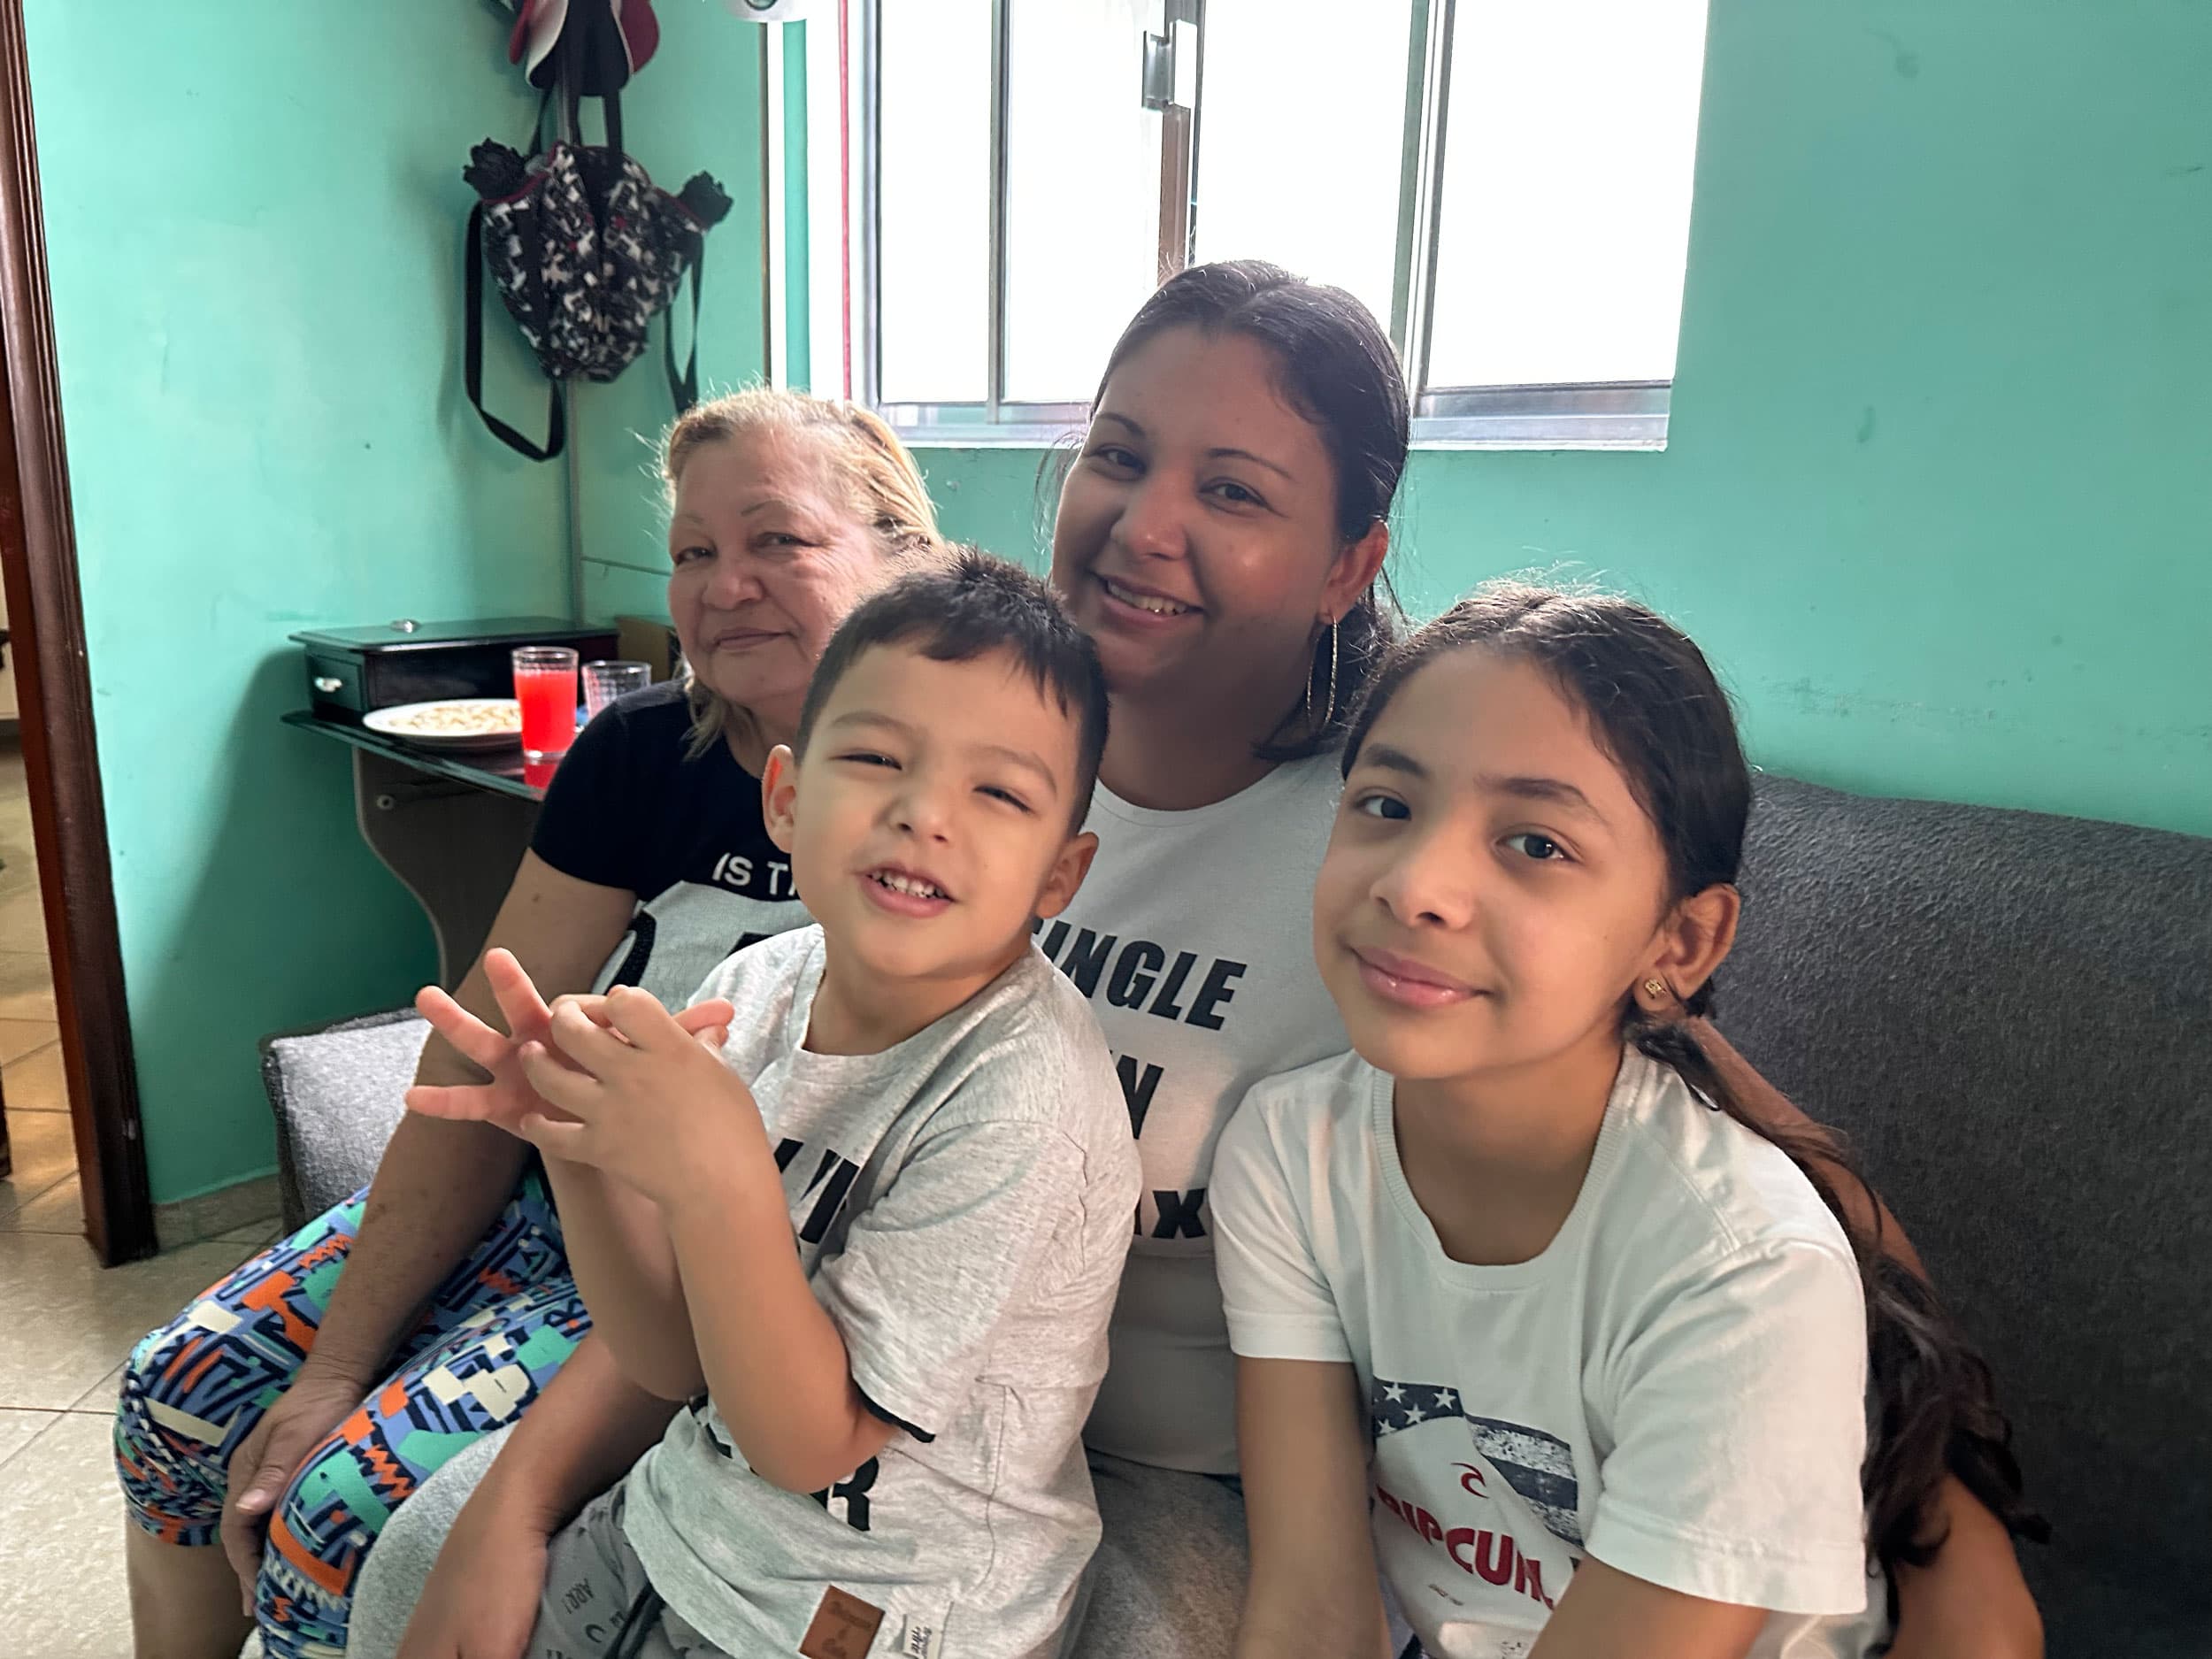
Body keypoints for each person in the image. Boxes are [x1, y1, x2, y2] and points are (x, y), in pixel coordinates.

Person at [364, 263, 2039, 1659]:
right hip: (811, 1404)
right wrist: (525, 1489)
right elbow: (776, 1196)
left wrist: (1953, 1532)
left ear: (1348, 563)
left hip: (1157, 1484)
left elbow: (1729, 1167)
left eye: (1232, 491)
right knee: (410, 1555)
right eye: (1119, 455)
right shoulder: (942, 807)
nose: (1144, 524)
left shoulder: (1384, 858)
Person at [114, 387, 941, 1659]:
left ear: (902, 552)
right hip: (552, 1190)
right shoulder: (639, 752)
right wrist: (339, 1363)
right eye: (694, 553)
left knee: (335, 1510)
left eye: (779, 539)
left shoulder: (954, 794)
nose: (725, 585)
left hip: (705, 1269)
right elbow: (480, 1047)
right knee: (173, 1391)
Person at [1216, 587, 2036, 1656]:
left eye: (1536, 844)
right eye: (1387, 805)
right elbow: (1311, 1612)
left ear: (1681, 945)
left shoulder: (1740, 1273)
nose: (1418, 885)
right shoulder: (1288, 1153)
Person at [403, 552, 1141, 1659]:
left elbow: (812, 1447)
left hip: (877, 1613)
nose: (923, 814)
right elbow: (667, 1360)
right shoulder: (757, 985)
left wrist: (717, 1176)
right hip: (684, 1522)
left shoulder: (1024, 1102)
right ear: (787, 801)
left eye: (997, 792)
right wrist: (575, 1144)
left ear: (1057, 876)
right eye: (877, 756)